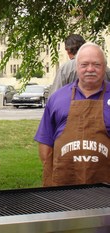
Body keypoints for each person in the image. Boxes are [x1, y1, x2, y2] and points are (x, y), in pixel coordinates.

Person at [34, 42, 110, 187]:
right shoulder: (58, 98)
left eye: (96, 65)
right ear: (76, 67)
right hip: (63, 185)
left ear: (104, 67)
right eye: (84, 64)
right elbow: (45, 141)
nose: (90, 69)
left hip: (105, 189)